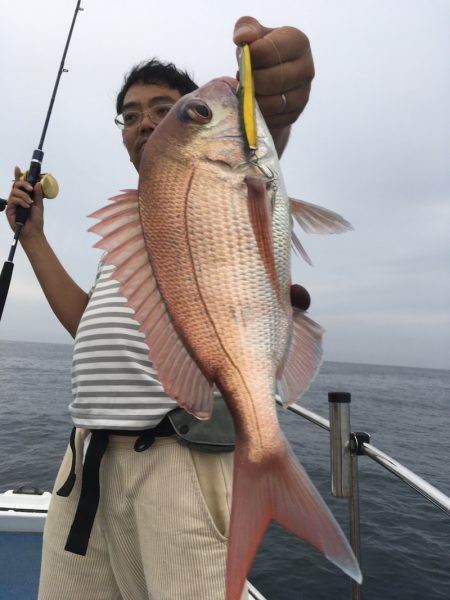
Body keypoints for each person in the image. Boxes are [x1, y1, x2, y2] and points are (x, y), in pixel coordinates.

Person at [6, 16, 314, 600]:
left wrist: (276, 102)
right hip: (84, 464)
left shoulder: (216, 197)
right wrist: (34, 238)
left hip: (176, 462)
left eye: (165, 107)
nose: (144, 121)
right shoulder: (132, 222)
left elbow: (258, 145)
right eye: (129, 114)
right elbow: (88, 326)